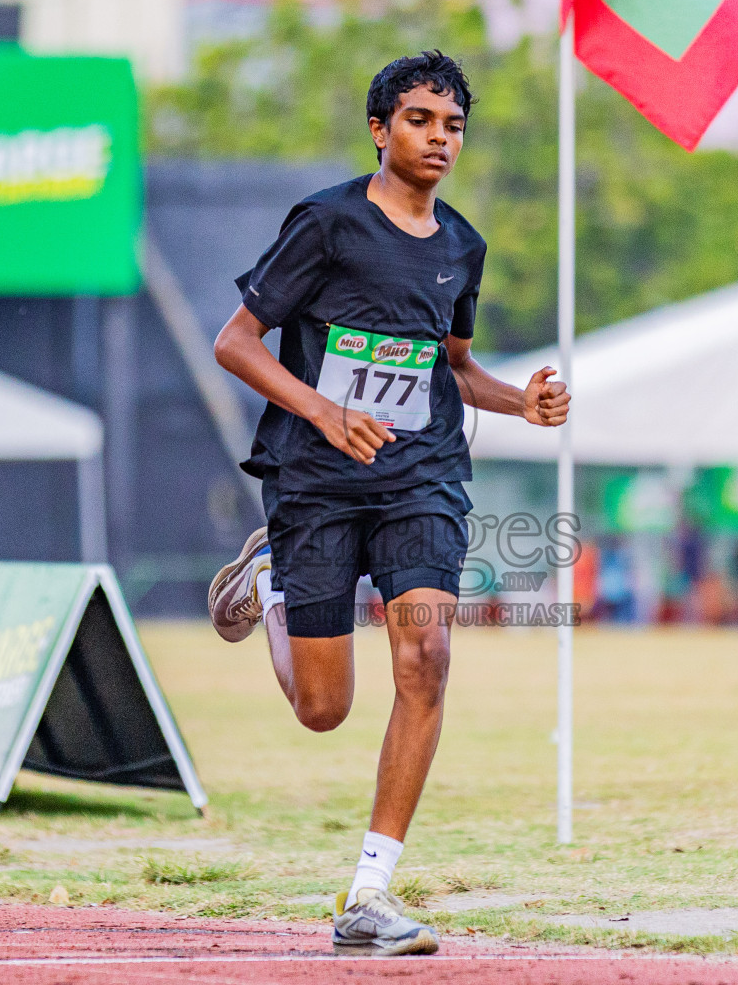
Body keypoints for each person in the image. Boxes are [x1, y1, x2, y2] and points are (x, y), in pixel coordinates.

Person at [203, 51, 570, 957]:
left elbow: (451, 368)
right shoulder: (325, 224)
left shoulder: (462, 246)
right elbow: (236, 342)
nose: (439, 138)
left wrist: (518, 400)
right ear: (380, 128)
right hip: (318, 479)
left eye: (452, 125)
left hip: (422, 477)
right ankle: (272, 580)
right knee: (323, 709)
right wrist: (324, 412)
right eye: (419, 120)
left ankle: (371, 891)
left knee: (429, 655)